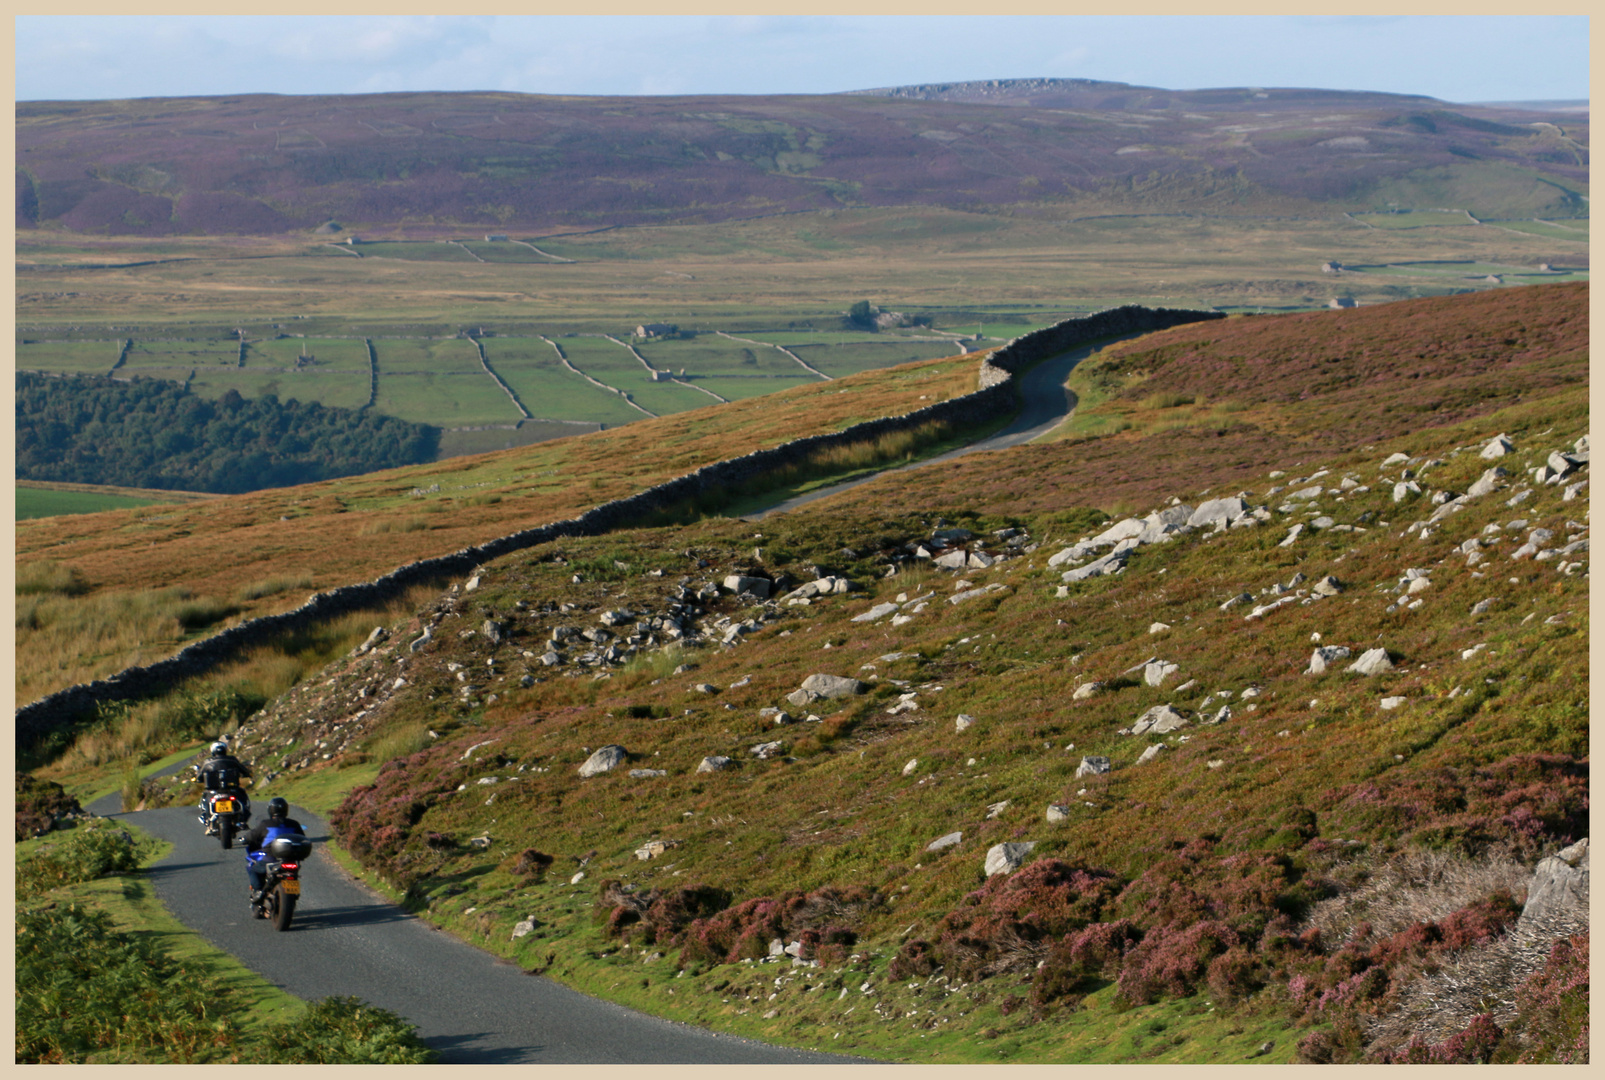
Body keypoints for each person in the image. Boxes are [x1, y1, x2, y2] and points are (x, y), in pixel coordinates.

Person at [244, 797, 306, 917]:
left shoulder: (265, 824)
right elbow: (302, 838)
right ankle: (292, 895)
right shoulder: (294, 824)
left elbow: (252, 836)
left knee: (252, 869)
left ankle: (258, 892)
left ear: (270, 810)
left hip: (270, 859)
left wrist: (244, 839)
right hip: (291, 860)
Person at [195, 741, 252, 826]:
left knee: (205, 799)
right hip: (232, 789)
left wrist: (199, 779)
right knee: (243, 796)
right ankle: (242, 818)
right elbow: (243, 770)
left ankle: (206, 817)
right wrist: (246, 774)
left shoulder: (208, 762)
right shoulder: (232, 760)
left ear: (213, 751)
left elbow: (199, 776)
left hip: (214, 791)